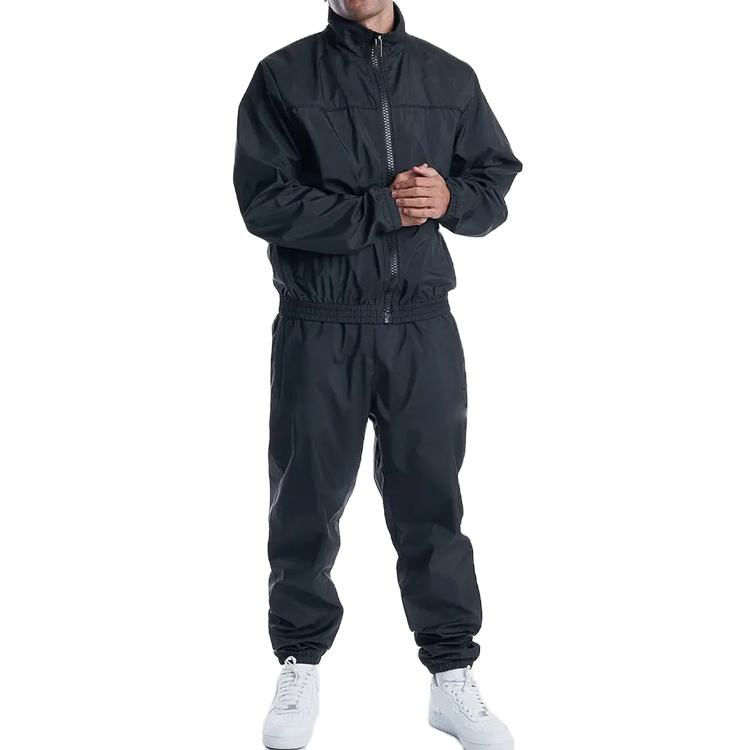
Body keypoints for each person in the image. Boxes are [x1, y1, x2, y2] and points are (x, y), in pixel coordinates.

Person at [233, 1, 522, 747]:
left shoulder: (449, 77)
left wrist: (453, 199)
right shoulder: (282, 76)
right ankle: (299, 661)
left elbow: (493, 180)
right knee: (305, 502)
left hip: (423, 328)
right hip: (319, 325)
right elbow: (265, 204)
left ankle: (451, 675)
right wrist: (381, 210)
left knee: (433, 505)